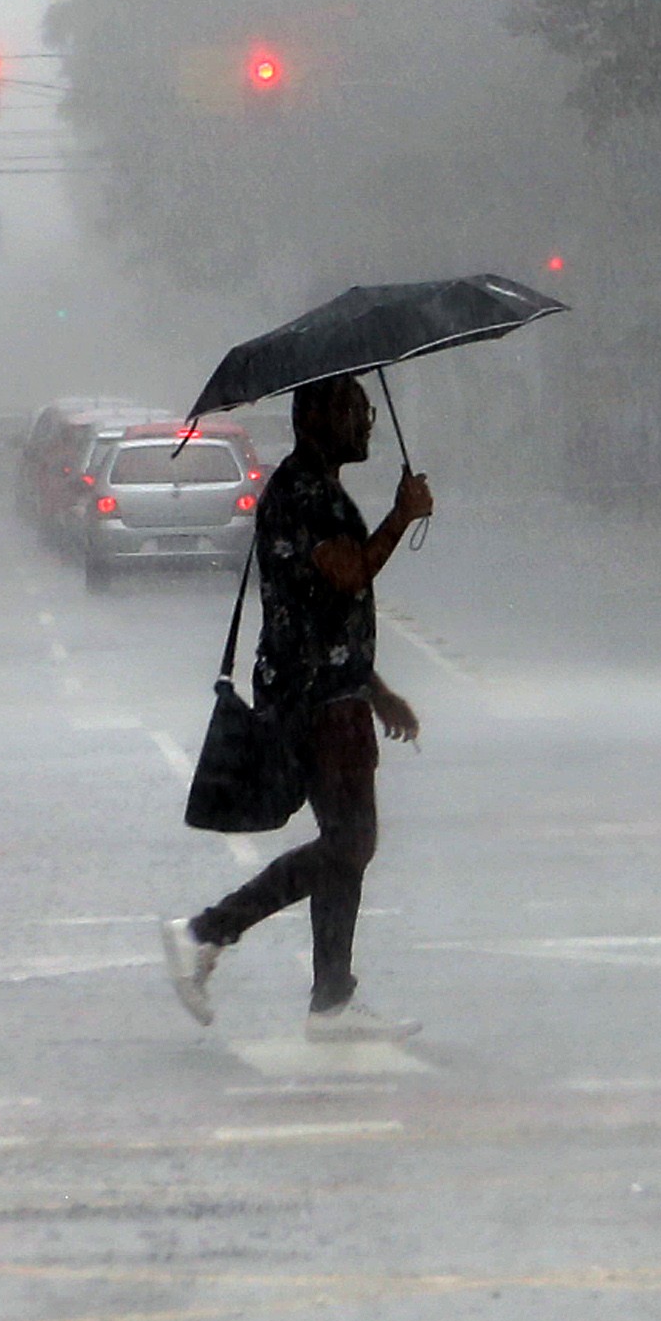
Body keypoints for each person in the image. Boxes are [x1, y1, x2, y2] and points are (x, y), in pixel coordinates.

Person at [163, 375, 434, 1040]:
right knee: (351, 841)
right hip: (314, 700)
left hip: (332, 690)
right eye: (353, 411)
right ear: (314, 417)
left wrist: (376, 689)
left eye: (368, 411)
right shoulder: (303, 492)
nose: (367, 422)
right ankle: (206, 931)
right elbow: (348, 574)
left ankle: (332, 1001)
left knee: (350, 843)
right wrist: (402, 516)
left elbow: (327, 611)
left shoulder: (317, 486)